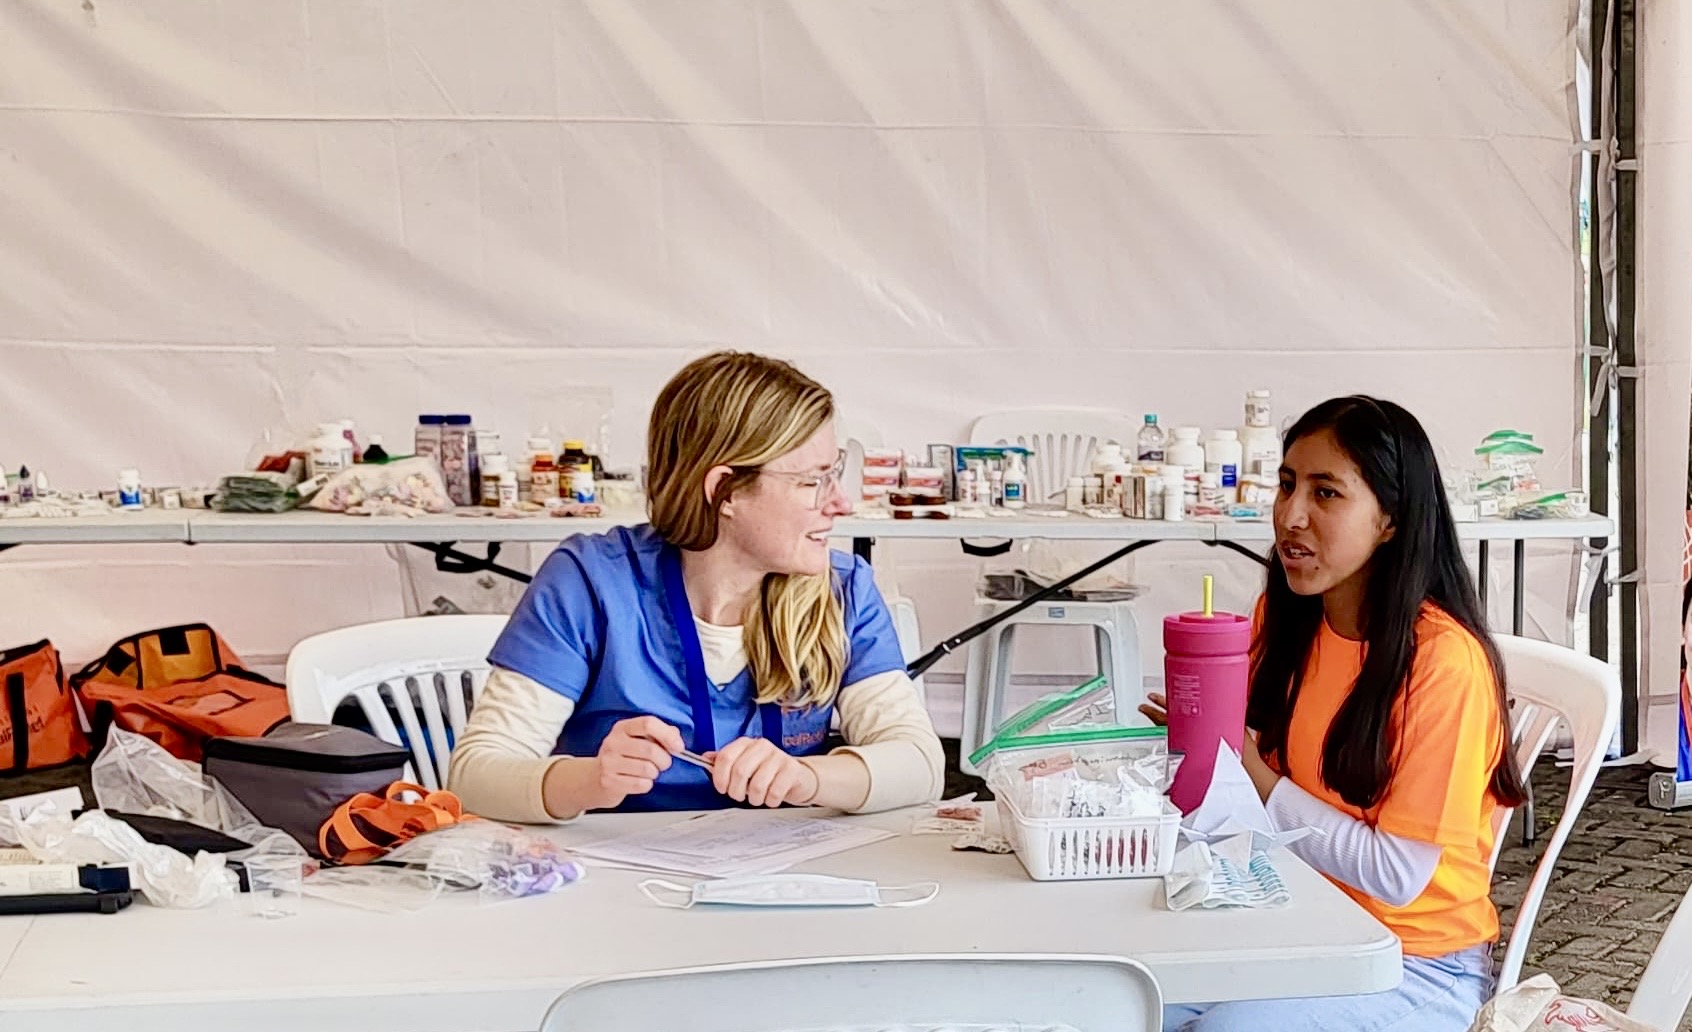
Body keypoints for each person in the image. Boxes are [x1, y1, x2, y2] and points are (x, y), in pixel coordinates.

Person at [1146, 396, 1525, 1031]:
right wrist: (1196, 746)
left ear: (1390, 521)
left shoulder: (1442, 663)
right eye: (1287, 485)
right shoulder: (1285, 622)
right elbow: (1241, 799)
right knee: (1111, 997)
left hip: (1417, 963)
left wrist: (1250, 772)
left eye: (1326, 494)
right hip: (1291, 919)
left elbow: (1397, 876)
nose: (1291, 516)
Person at [448, 351, 944, 820]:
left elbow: (922, 766)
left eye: (833, 475)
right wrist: (591, 779)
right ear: (724, 491)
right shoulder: (590, 581)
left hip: (782, 888)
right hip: (615, 889)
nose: (840, 504)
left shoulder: (842, 589)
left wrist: (807, 778)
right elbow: (475, 775)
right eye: (811, 481)